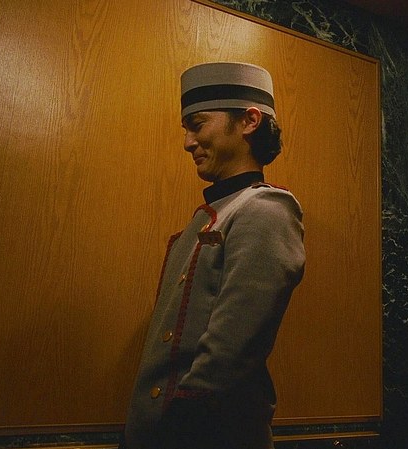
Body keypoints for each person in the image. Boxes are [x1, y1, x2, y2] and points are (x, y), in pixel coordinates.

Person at [122, 62, 305, 449]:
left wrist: (174, 430)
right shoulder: (208, 217)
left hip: (203, 434)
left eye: (197, 124)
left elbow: (231, 350)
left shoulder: (265, 209)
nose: (188, 142)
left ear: (249, 121)